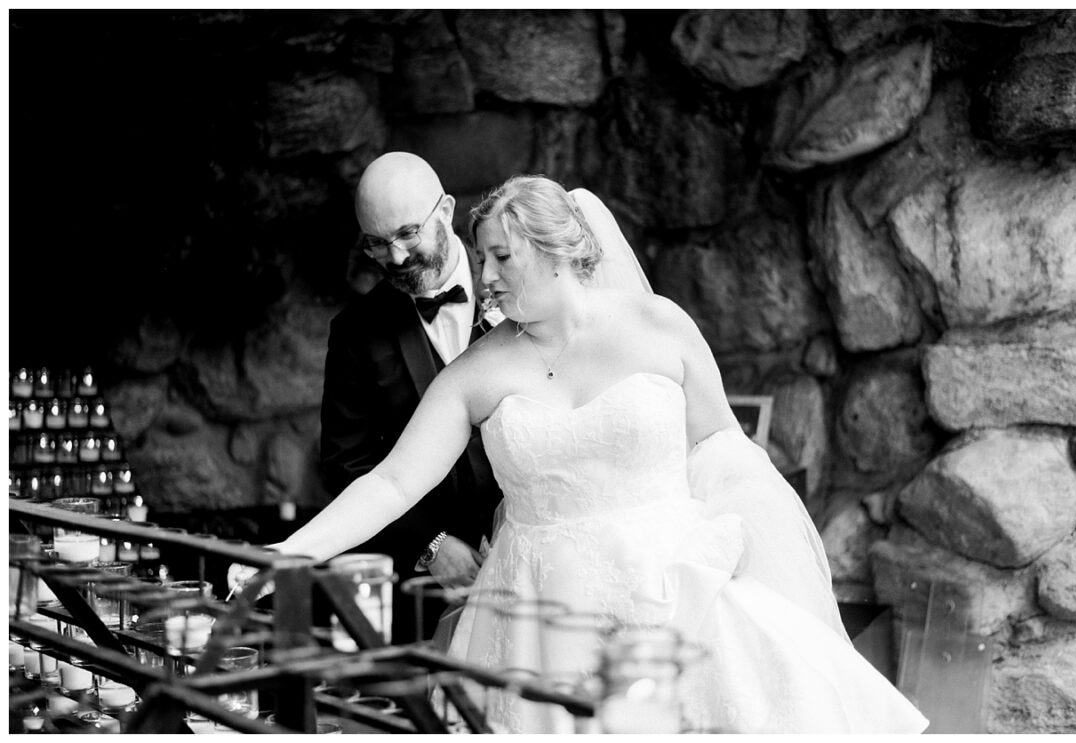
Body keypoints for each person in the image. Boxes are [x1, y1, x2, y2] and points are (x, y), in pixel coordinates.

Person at [241, 175, 928, 733]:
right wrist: (289, 554)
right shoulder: (477, 372)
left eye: (502, 257)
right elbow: (390, 482)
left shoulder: (661, 327)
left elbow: (722, 442)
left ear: (559, 249)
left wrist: (740, 539)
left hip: (670, 598)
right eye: (481, 258)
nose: (486, 276)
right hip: (538, 627)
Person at [318, 152, 503, 644]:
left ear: (444, 210)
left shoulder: (517, 291)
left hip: (529, 565)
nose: (395, 258)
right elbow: (345, 463)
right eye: (376, 245)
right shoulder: (356, 332)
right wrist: (432, 546)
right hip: (422, 596)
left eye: (406, 234)